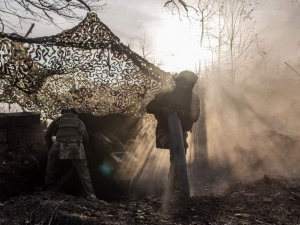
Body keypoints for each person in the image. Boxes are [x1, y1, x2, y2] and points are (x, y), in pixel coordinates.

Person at [146, 70, 200, 198]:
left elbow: (195, 116)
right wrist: (162, 109)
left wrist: (182, 114)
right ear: (179, 82)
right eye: (186, 83)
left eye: (191, 84)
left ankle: (174, 187)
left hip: (181, 131)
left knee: (180, 156)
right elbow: (149, 107)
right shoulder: (167, 94)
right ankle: (172, 188)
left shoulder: (194, 98)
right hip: (165, 130)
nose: (188, 87)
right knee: (176, 153)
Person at [44, 108, 96, 200]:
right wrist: (85, 151)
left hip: (59, 144)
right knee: (83, 170)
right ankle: (90, 195)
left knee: (51, 163)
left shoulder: (58, 120)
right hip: (76, 145)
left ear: (63, 113)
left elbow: (47, 135)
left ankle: (48, 186)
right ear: (75, 113)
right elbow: (86, 138)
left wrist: (50, 149)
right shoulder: (79, 121)